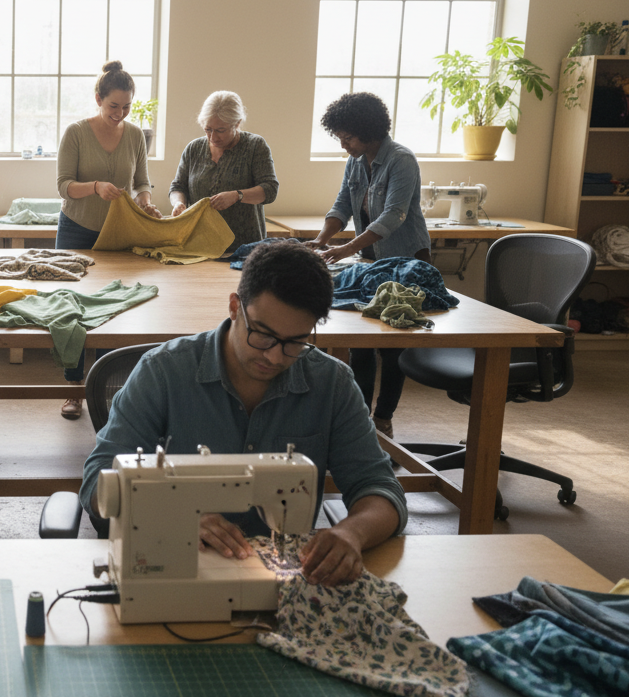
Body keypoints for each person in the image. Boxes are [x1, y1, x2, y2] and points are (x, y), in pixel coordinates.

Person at [78, 242, 406, 586]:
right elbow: (98, 482)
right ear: (235, 307)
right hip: (174, 568)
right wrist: (172, 516)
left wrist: (351, 533)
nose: (275, 357)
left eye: (295, 342)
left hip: (282, 584)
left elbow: (380, 489)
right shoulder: (163, 373)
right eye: (263, 335)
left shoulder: (331, 383)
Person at [305, 92, 432, 440]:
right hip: (371, 261)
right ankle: (360, 420)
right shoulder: (356, 161)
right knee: (360, 344)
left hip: (405, 262)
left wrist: (346, 249)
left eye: (348, 138)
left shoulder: (401, 161)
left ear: (369, 131)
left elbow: (393, 216)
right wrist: (321, 239)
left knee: (392, 349)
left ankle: (384, 418)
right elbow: (342, 205)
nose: (343, 145)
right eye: (339, 138)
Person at [55, 60, 161, 420]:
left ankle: (103, 388)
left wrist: (145, 202)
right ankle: (73, 389)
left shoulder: (134, 135)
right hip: (76, 229)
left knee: (112, 308)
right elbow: (63, 186)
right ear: (98, 98)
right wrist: (96, 187)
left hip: (118, 233)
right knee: (72, 310)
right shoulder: (76, 133)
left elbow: (142, 181)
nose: (120, 113)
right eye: (114, 105)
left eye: (127, 106)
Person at [169, 90, 279, 252]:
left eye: (221, 130)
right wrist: (179, 203)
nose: (213, 137)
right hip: (198, 244)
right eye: (208, 129)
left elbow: (270, 190)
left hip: (243, 247)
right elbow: (178, 187)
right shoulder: (194, 149)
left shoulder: (255, 146)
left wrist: (237, 195)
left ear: (237, 124)